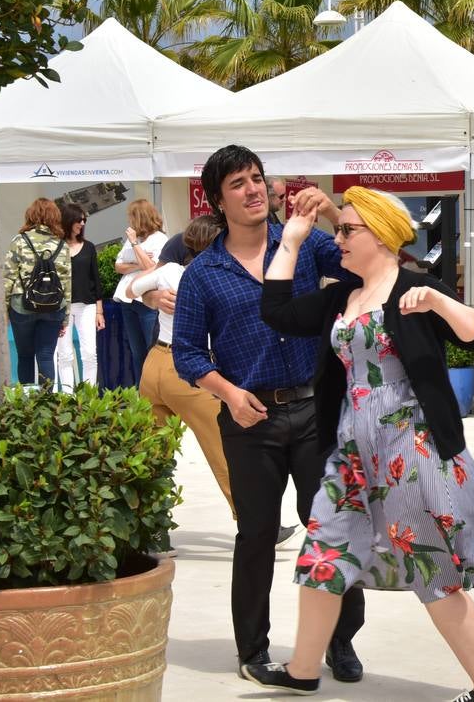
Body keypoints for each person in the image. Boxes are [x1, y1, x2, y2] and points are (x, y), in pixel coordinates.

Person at [244, 187, 474, 702]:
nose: (338, 239)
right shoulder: (341, 296)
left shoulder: (415, 287)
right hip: (350, 452)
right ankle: (303, 669)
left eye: (347, 230)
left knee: (431, 569)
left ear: (381, 235)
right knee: (323, 554)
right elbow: (276, 311)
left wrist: (437, 299)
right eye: (339, 229)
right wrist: (293, 241)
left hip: (406, 451)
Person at [172, 145, 366, 682]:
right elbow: (188, 353)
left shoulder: (302, 245)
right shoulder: (203, 274)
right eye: (238, 183)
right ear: (217, 199)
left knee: (330, 526)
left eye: (257, 178)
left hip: (315, 411)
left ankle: (340, 640)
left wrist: (331, 213)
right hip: (248, 421)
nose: (254, 189)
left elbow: (366, 262)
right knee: (256, 534)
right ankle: (252, 650)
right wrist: (230, 395)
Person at [130, 215, 235, 517]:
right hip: (190, 370)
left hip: (155, 364)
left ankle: (152, 526)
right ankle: (251, 517)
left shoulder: (172, 271)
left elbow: (129, 289)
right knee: (224, 448)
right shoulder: (218, 277)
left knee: (151, 453)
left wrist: (154, 297)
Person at [3, 198, 71, 385]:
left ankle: (26, 407)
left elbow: (8, 278)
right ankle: (47, 406)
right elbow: (66, 283)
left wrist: (3, 311)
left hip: (22, 307)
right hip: (53, 308)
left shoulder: (19, 241)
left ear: (30, 215)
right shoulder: (62, 245)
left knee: (25, 355)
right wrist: (65, 317)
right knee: (46, 355)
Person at [113, 199, 167, 385]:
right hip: (128, 302)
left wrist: (135, 245)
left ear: (140, 218)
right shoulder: (131, 240)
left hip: (147, 301)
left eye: (131, 217)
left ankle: (155, 393)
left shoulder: (159, 239)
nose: (129, 221)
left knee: (151, 349)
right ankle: (140, 392)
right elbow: (118, 266)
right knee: (137, 351)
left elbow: (152, 267)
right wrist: (137, 263)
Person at [53, 202, 104, 389]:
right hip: (61, 307)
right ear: (68, 220)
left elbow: (95, 279)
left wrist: (100, 312)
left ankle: (89, 396)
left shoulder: (89, 247)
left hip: (87, 305)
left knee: (90, 353)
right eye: (79, 219)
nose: (82, 223)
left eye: (84, 220)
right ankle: (67, 396)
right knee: (64, 354)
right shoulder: (56, 247)